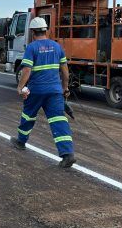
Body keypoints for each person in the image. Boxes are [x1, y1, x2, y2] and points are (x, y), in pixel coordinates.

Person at [11, 17, 76, 168]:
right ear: (46, 30)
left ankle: (21, 142)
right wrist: (65, 88)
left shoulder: (32, 48)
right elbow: (65, 72)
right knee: (59, 121)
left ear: (33, 32)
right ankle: (68, 154)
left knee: (28, 116)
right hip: (54, 91)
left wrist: (20, 87)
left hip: (36, 90)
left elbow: (27, 70)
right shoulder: (57, 47)